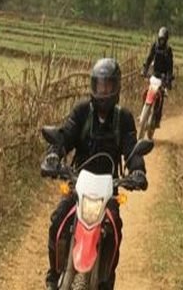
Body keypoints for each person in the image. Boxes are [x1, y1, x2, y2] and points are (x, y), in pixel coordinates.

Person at [41, 58, 148, 290]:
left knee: (115, 230)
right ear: (92, 85)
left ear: (116, 88)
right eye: (99, 85)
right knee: (58, 220)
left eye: (108, 86)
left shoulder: (124, 118)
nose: (103, 92)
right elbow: (65, 135)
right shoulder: (82, 112)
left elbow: (131, 149)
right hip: (78, 183)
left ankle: (106, 281)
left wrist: (138, 170)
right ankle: (53, 274)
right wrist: (53, 155)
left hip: (108, 191)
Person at [141, 26, 174, 128]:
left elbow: (170, 66)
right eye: (160, 39)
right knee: (146, 92)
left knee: (161, 97)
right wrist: (145, 69)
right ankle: (143, 110)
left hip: (163, 77)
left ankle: (157, 119)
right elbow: (149, 58)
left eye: (163, 40)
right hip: (154, 74)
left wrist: (168, 79)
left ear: (166, 39)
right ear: (158, 38)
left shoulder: (168, 50)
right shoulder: (155, 46)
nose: (161, 41)